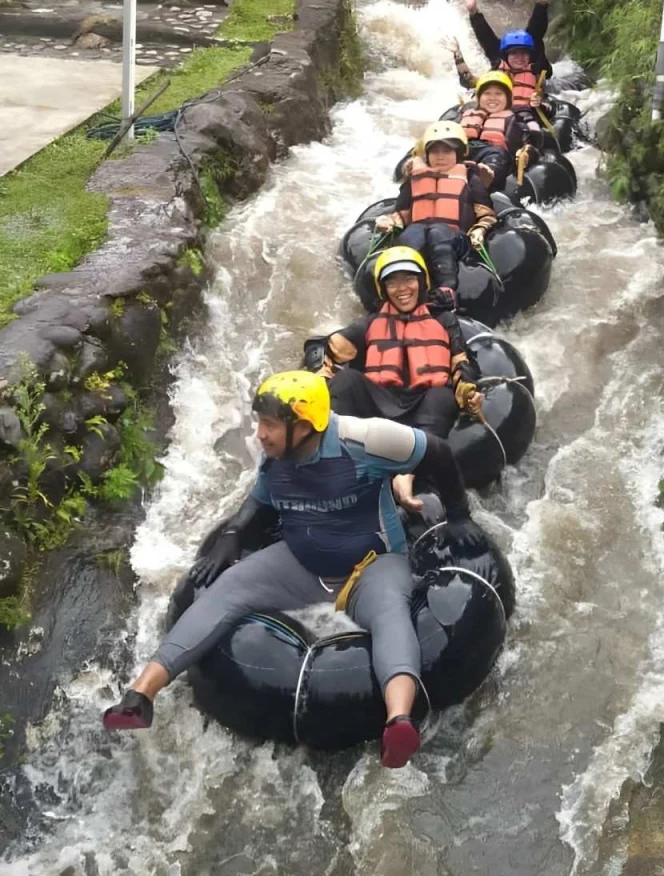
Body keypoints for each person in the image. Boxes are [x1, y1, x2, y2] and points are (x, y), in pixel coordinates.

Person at [102, 371, 479, 768]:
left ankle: (398, 721)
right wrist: (233, 534)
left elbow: (436, 450)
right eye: (259, 423)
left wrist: (458, 515)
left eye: (269, 425)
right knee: (229, 585)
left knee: (391, 610)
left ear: (303, 427)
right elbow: (260, 497)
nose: (260, 434)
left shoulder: (365, 439)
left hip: (372, 565)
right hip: (302, 563)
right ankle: (139, 697)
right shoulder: (279, 454)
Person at [312, 246, 484, 507]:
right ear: (383, 289)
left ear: (422, 282)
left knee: (442, 394)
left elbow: (461, 361)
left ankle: (407, 473)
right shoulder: (371, 323)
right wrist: (316, 383)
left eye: (409, 279)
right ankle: (331, 463)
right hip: (379, 407)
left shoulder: (443, 319)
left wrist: (467, 391)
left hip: (425, 405)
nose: (402, 288)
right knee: (345, 382)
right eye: (392, 282)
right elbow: (327, 348)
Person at [374, 122, 497, 310]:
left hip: (456, 239)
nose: (440, 157)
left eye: (447, 151)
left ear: (458, 153)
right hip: (420, 232)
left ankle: (446, 291)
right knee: (412, 233)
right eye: (435, 152)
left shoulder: (470, 178)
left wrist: (480, 230)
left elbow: (486, 213)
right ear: (427, 154)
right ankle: (405, 293)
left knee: (437, 232)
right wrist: (390, 222)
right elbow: (402, 213)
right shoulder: (415, 178)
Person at [456, 71, 536, 191]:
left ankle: (487, 175)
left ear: (508, 98)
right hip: (465, 149)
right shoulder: (467, 114)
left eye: (498, 94)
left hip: (493, 153)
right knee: (448, 148)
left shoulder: (514, 120)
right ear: (479, 97)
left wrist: (528, 153)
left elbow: (529, 144)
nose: (492, 98)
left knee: (497, 155)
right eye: (487, 93)